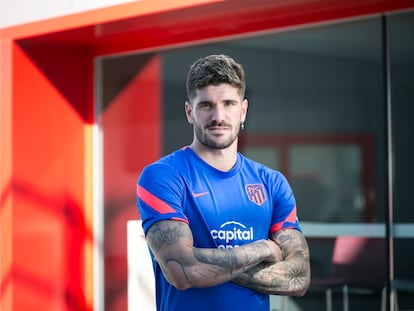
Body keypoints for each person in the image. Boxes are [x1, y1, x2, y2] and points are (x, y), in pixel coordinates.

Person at [136, 54, 311, 311]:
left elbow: (299, 277)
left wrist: (203, 263)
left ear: (243, 110)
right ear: (189, 112)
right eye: (206, 105)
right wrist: (262, 249)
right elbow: (181, 272)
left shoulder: (272, 183)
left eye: (229, 103)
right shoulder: (163, 176)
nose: (218, 116)